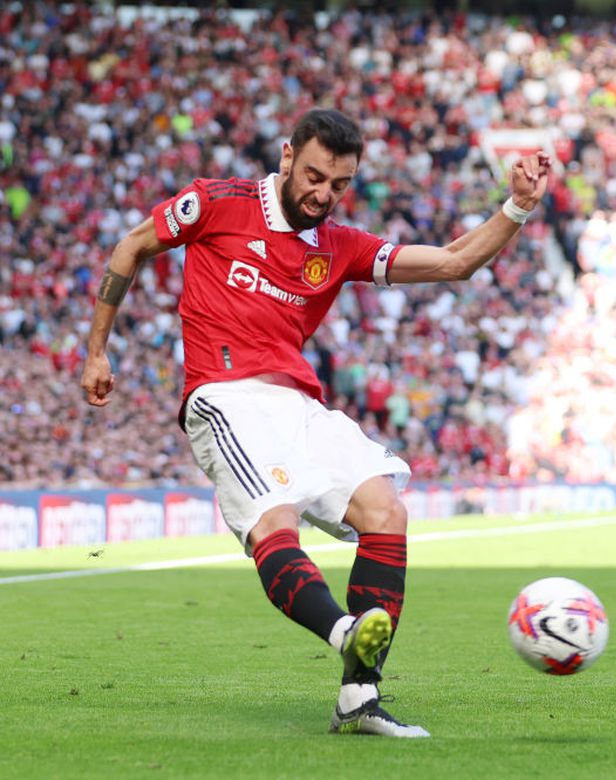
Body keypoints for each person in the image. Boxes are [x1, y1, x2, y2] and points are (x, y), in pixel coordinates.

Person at [81, 108, 551, 737]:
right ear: (286, 156)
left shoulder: (340, 245)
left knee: (387, 511)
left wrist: (515, 208)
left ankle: (359, 698)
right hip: (224, 399)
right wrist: (96, 350)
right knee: (276, 522)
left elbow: (451, 263)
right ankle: (344, 633)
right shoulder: (216, 203)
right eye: (314, 176)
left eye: (339, 184)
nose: (323, 194)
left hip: (299, 406)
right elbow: (132, 244)